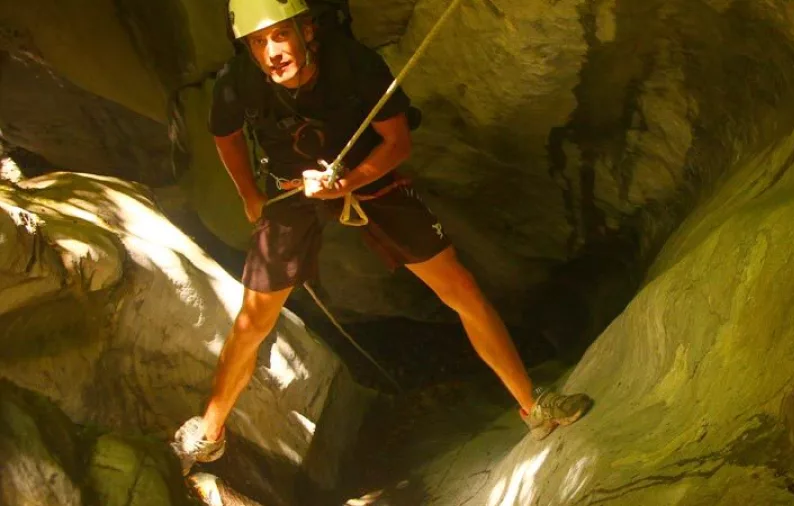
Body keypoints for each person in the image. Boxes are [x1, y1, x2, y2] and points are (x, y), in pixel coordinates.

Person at [170, 0, 593, 475]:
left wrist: (347, 182)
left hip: (369, 179)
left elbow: (398, 142)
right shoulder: (238, 82)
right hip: (291, 192)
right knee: (253, 321)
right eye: (258, 43)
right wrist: (249, 193)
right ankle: (209, 433)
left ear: (306, 31)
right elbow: (224, 133)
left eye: (280, 36)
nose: (271, 53)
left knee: (460, 288)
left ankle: (532, 406)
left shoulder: (354, 64)